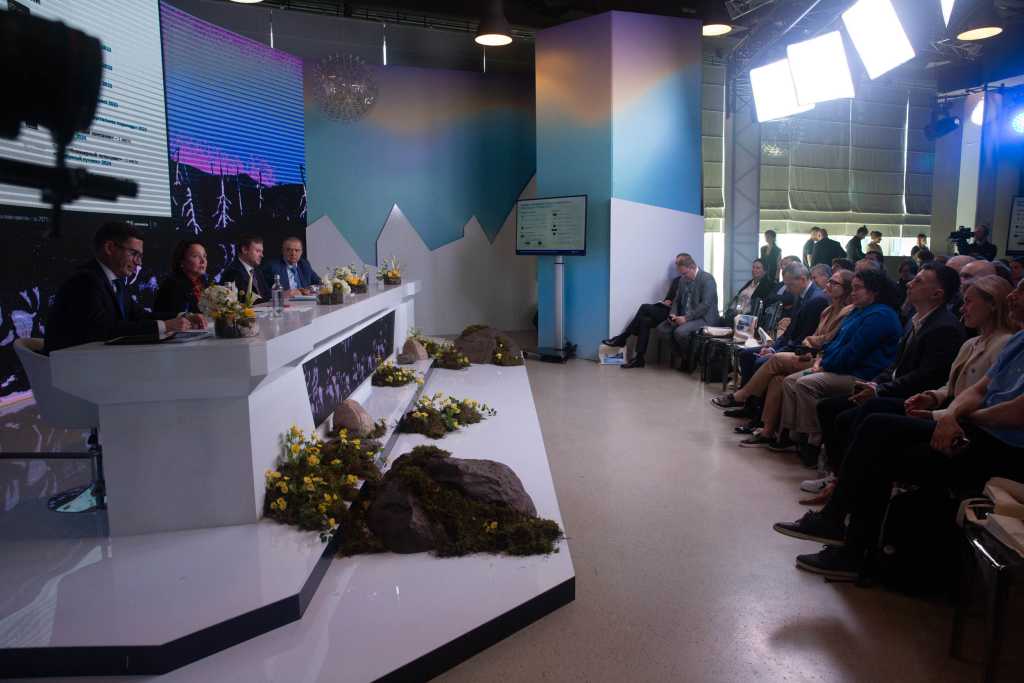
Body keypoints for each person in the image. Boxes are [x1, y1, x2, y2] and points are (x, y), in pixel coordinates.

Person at [773, 277, 1024, 579]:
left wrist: (953, 416)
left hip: (1000, 448)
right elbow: (976, 390)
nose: (1014, 295)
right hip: (969, 425)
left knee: (877, 434)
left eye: (1021, 290)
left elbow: (1016, 412)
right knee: (873, 427)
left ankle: (845, 531)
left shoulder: (1000, 340)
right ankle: (849, 536)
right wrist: (944, 408)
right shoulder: (1014, 341)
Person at [814, 263, 964, 477]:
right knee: (828, 407)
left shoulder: (944, 327)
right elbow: (895, 365)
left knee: (858, 412)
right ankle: (837, 475)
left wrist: (878, 390)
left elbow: (924, 377)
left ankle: (848, 479)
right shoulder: (916, 320)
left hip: (913, 398)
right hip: (891, 387)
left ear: (937, 294)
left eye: (918, 281)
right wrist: (875, 383)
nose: (909, 283)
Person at [774, 269, 903, 457]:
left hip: (862, 375)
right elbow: (834, 343)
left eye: (858, 288)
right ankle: (794, 434)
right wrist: (823, 360)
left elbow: (852, 354)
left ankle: (814, 440)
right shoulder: (858, 311)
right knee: (790, 381)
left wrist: (825, 364)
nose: (853, 292)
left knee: (805, 384)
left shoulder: (880, 316)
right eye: (853, 288)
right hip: (841, 367)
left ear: (874, 291)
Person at [724, 269, 855, 441]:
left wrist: (808, 343)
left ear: (846, 289)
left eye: (834, 283)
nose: (828, 284)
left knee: (775, 359)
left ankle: (744, 396)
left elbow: (826, 339)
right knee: (777, 379)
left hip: (820, 359)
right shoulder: (827, 310)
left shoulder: (844, 310)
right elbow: (809, 335)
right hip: (811, 354)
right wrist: (783, 345)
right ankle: (768, 431)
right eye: (829, 280)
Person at [45, 223, 203, 353]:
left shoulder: (115, 281)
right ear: (110, 248)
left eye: (140, 256)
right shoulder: (85, 280)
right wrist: (166, 326)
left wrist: (184, 316)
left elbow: (138, 315)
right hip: (69, 368)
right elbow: (102, 329)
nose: (138, 262)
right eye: (134, 254)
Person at [714, 263, 828, 400]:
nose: (788, 289)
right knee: (746, 354)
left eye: (790, 285)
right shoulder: (801, 294)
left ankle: (751, 402)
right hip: (789, 345)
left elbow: (803, 337)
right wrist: (772, 347)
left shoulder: (816, 300)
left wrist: (776, 351)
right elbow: (789, 331)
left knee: (760, 361)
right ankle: (745, 399)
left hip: (801, 350)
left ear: (802, 280)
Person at [605, 254, 690, 368]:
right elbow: (669, 298)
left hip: (676, 315)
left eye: (678, 264)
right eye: (676, 264)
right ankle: (639, 358)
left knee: (644, 307)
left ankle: (623, 337)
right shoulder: (676, 281)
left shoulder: (691, 281)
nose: (676, 266)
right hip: (667, 310)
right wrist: (667, 301)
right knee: (644, 320)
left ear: (685, 264)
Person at [655, 253, 718, 369]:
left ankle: (689, 360)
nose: (683, 276)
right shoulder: (682, 280)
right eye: (681, 274)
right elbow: (676, 300)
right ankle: (686, 356)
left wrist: (686, 318)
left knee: (680, 332)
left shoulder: (707, 279)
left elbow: (705, 305)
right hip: (685, 317)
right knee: (661, 330)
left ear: (693, 267)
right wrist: (673, 314)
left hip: (704, 318)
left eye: (685, 273)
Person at [155, 240, 208, 315]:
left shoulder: (205, 284)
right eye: (195, 256)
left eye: (204, 256)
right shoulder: (173, 286)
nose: (203, 261)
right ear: (182, 261)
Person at [221, 235, 270, 303]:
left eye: (262, 252)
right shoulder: (232, 272)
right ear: (244, 250)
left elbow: (267, 295)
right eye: (258, 251)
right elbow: (236, 303)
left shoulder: (258, 271)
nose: (262, 255)